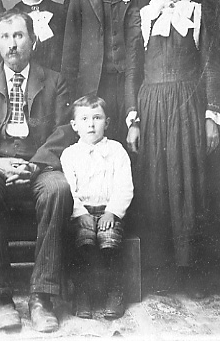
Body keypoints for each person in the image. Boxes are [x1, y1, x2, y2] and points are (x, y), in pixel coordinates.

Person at [0, 9, 72, 333]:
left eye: (19, 36)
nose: (12, 44)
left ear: (33, 40)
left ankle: (42, 298)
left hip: (39, 164)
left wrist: (35, 165)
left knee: (58, 188)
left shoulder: (55, 80)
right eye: (5, 37)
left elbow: (65, 130)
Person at [124, 0, 220, 297]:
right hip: (152, 106)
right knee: (155, 182)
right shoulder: (142, 16)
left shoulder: (197, 12)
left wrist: (212, 115)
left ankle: (191, 270)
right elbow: (132, 71)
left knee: (189, 181)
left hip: (187, 106)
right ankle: (160, 271)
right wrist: (133, 119)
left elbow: (210, 66)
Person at [61, 0, 154, 145]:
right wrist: (71, 97)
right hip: (95, 87)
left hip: (139, 84)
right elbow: (71, 50)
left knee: (139, 148)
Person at [60, 95, 133, 320]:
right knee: (83, 242)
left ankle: (115, 291)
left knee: (109, 242)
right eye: (84, 119)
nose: (91, 125)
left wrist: (112, 211)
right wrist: (80, 213)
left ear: (107, 122)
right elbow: (69, 189)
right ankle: (82, 292)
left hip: (109, 211)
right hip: (81, 213)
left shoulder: (117, 151)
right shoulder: (69, 154)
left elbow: (124, 186)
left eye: (97, 118)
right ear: (74, 125)